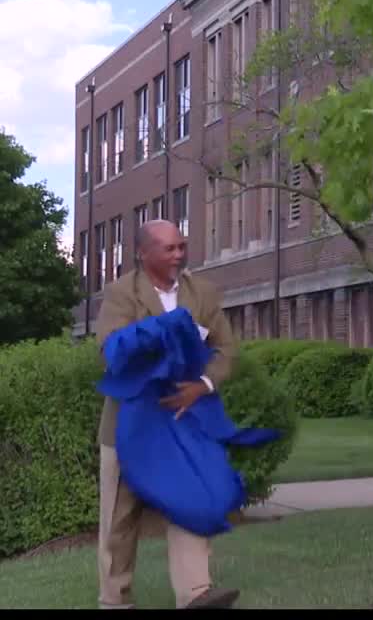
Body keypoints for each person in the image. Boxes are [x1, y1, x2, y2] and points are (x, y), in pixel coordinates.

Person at [93, 219, 240, 609]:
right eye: (169, 249)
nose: (179, 255)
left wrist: (202, 385)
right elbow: (110, 350)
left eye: (181, 246)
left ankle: (196, 595)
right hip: (130, 429)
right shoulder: (122, 294)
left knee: (189, 504)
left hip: (181, 427)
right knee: (118, 524)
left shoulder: (203, 293)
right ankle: (115, 600)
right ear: (143, 253)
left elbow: (226, 349)